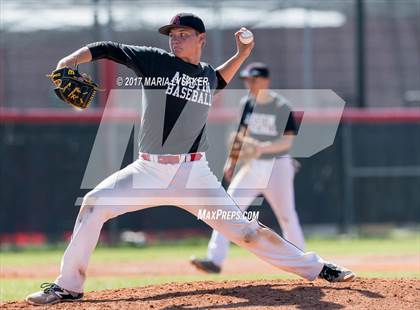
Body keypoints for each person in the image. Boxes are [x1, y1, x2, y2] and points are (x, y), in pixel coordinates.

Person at [26, 13, 355, 306]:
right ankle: (67, 286)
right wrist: (69, 60)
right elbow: (108, 47)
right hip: (148, 171)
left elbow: (220, 78)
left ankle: (318, 267)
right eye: (172, 34)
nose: (175, 38)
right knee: (93, 205)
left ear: (201, 39)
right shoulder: (155, 61)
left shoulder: (207, 76)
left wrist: (242, 54)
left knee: (245, 231)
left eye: (183, 33)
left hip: (194, 177)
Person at [191, 62, 306, 274]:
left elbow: (287, 142)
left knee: (287, 215)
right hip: (252, 166)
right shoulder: (247, 104)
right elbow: (241, 136)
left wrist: (261, 147)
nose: (250, 84)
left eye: (254, 80)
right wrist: (232, 161)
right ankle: (214, 260)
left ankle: (303, 262)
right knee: (226, 210)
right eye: (247, 81)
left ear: (265, 81)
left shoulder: (281, 106)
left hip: (277, 165)